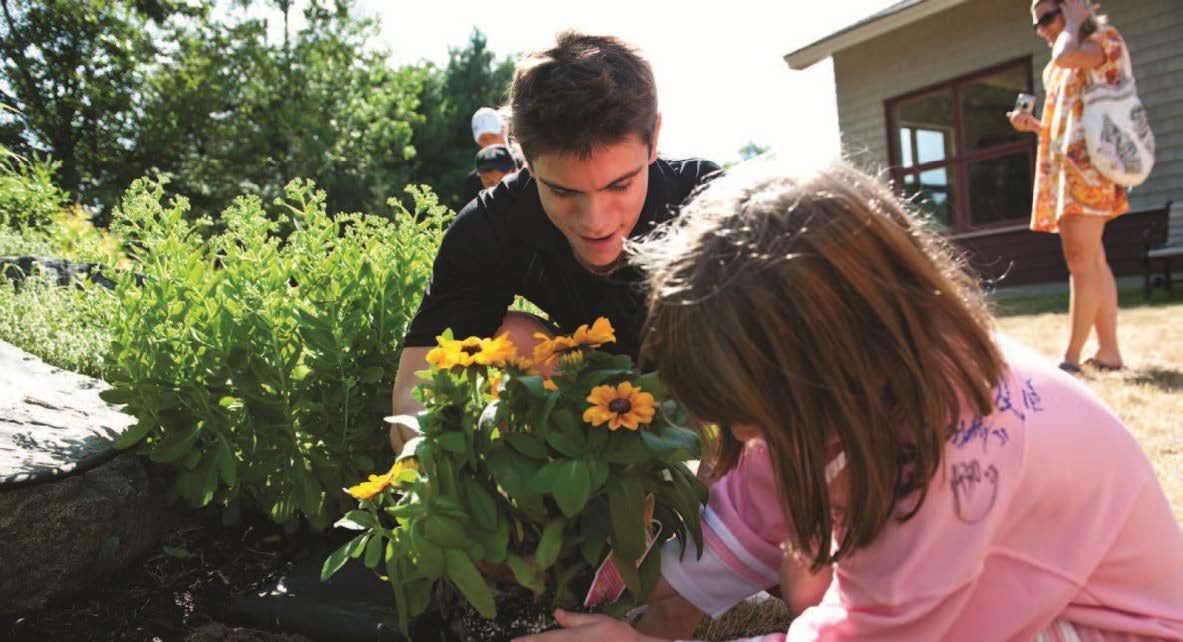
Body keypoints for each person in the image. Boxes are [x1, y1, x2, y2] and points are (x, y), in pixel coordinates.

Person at [515, 160, 1183, 641]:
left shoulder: (957, 461)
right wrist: (659, 615)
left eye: (757, 413)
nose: (746, 433)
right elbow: (753, 500)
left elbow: (874, 631)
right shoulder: (856, 384)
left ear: (833, 356)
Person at [389, 32, 720, 451]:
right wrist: (437, 454)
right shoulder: (490, 228)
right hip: (585, 394)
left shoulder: (706, 201)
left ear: (653, 138)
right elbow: (412, 394)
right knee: (505, 334)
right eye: (564, 192)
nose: (596, 222)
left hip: (700, 388)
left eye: (620, 185)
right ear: (522, 154)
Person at [1007, 0, 1130, 374]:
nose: (1042, 29)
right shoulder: (1055, 68)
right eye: (1036, 24)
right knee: (1093, 259)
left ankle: (1071, 358)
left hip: (1091, 168)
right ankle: (1109, 353)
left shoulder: (1103, 41)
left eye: (1048, 17)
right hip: (1068, 168)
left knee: (1080, 260)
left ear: (1072, 6)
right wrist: (1036, 128)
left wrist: (1075, 22)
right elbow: (1067, 122)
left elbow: (1067, 57)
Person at [460, 107, 523, 205]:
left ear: (504, 130)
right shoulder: (473, 182)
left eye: (493, 136)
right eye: (484, 139)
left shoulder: (526, 165)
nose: (490, 142)